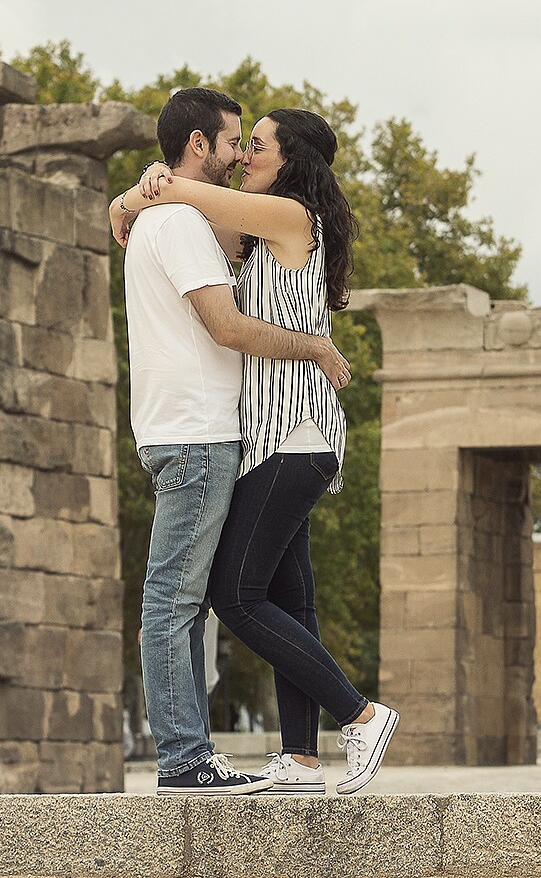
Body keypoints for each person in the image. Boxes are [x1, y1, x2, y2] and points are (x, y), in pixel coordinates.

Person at [115, 106, 401, 796]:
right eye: (239, 144)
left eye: (257, 146)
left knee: (234, 595)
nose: (244, 155)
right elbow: (176, 205)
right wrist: (132, 195)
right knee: (287, 599)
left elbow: (184, 192)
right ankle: (301, 758)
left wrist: (146, 188)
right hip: (276, 438)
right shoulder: (257, 223)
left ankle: (359, 713)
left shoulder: (291, 215)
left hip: (293, 434)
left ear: (290, 158)